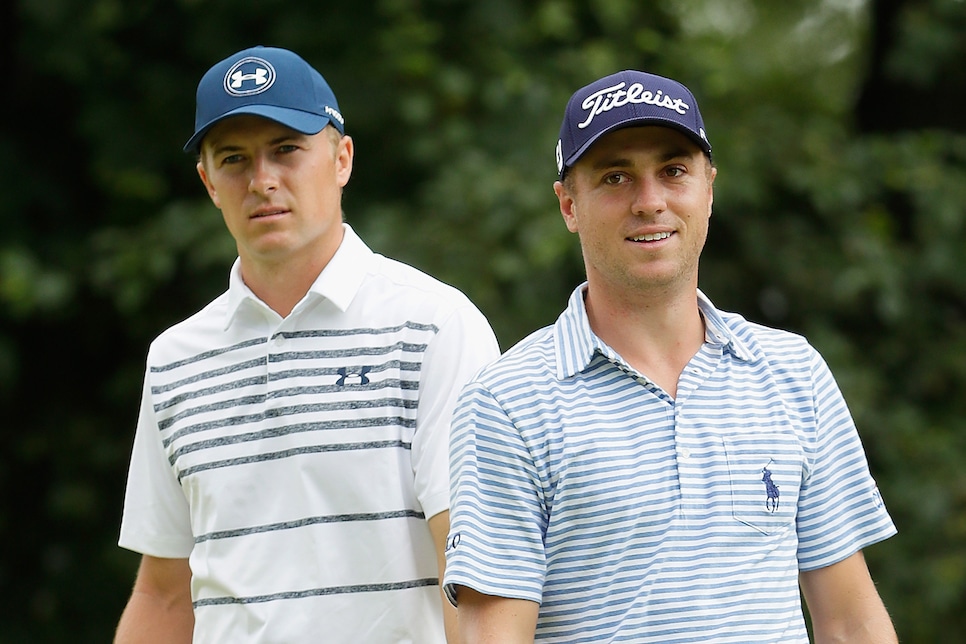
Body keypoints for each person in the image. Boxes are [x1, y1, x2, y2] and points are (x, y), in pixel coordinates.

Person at [443, 70, 898, 642]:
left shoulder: (794, 374)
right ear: (568, 205)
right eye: (615, 177)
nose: (650, 201)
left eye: (674, 171)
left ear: (709, 187)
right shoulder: (507, 402)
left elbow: (851, 623)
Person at [114, 46, 499, 643]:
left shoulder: (433, 326)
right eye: (234, 158)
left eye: (287, 150)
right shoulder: (175, 359)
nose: (262, 179)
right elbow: (163, 594)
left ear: (342, 158)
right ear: (208, 182)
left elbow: (472, 574)